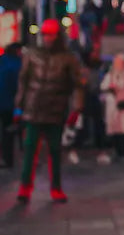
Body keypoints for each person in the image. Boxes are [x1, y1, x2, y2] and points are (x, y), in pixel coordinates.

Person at [14, 19, 85, 204]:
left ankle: (56, 188)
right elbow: (23, 81)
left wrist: (77, 108)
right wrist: (18, 107)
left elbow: (77, 85)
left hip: (55, 111)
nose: (47, 38)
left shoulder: (68, 58)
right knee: (30, 151)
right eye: (45, 34)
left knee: (55, 151)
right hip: (33, 110)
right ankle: (25, 188)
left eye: (51, 34)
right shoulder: (32, 55)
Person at [100, 52, 124, 161]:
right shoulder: (110, 75)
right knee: (115, 129)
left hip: (123, 105)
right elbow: (103, 86)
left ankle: (123, 152)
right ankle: (117, 151)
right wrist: (110, 87)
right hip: (113, 106)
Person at [0, 41, 23, 169]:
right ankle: (8, 159)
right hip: (9, 104)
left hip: (4, 101)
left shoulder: (2, 61)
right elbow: (18, 86)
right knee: (9, 131)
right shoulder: (17, 64)